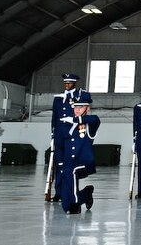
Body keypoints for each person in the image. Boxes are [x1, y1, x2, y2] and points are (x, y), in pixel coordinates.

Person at [49, 73, 92, 203]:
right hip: (59, 135)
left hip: (71, 135)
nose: (67, 85)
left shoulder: (79, 96)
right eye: (65, 83)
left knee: (71, 165)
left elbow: (85, 105)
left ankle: (69, 191)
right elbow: (54, 118)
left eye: (70, 83)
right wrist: (53, 135)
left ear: (74, 83)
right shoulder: (58, 98)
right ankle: (59, 192)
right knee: (59, 164)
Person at [57, 96, 100, 214]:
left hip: (84, 161)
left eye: (80, 107)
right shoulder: (66, 124)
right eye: (75, 107)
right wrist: (60, 162)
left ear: (87, 108)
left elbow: (95, 119)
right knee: (66, 205)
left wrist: (76, 120)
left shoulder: (89, 124)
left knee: (70, 170)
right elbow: (60, 145)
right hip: (68, 163)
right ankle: (86, 194)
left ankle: (76, 203)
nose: (77, 110)